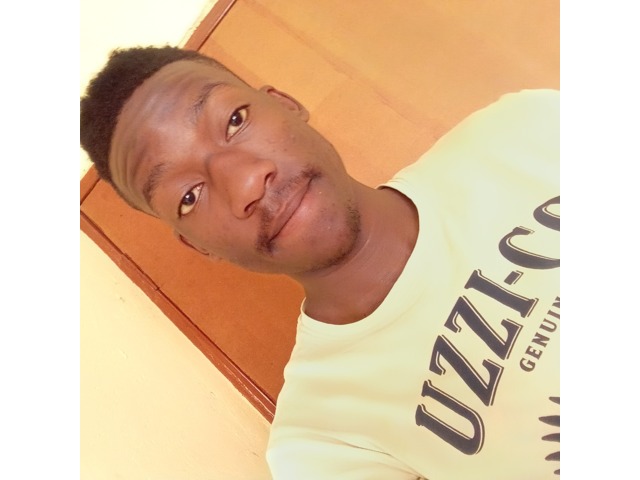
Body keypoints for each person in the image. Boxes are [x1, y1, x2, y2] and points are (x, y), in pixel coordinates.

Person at [80, 46, 560, 479]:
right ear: (198, 246)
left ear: (286, 104)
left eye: (235, 120)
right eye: (189, 196)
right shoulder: (318, 443)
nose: (246, 182)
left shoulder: (519, 129)